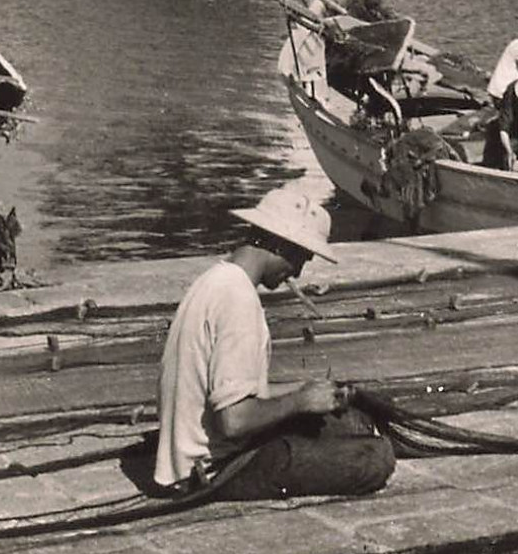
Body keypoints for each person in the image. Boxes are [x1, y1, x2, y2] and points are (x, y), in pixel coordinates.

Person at [154, 186, 395, 501]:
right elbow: (234, 420)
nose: (296, 271)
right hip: (213, 471)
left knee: (353, 422)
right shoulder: (238, 300)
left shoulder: (217, 279)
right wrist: (299, 402)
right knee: (377, 458)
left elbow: (240, 394)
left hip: (183, 460)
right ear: (283, 245)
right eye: (301, 258)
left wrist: (303, 389)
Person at [276, 0, 328, 96]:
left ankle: (308, 90)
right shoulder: (307, 26)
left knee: (311, 70)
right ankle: (304, 86)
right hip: (309, 50)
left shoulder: (313, 26)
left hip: (312, 51)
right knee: (309, 70)